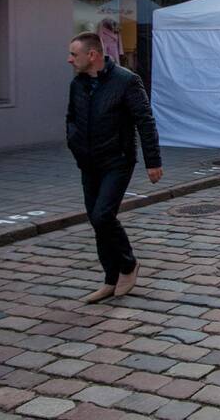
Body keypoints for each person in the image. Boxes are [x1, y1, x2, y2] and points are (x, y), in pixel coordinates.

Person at [66, 32, 162, 304]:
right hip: (88, 162)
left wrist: (153, 161)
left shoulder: (126, 81)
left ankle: (129, 265)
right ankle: (110, 278)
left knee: (103, 216)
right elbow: (71, 118)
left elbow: (145, 121)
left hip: (117, 161)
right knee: (97, 221)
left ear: (92, 55)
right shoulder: (78, 84)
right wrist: (74, 144)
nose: (69, 59)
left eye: (74, 54)